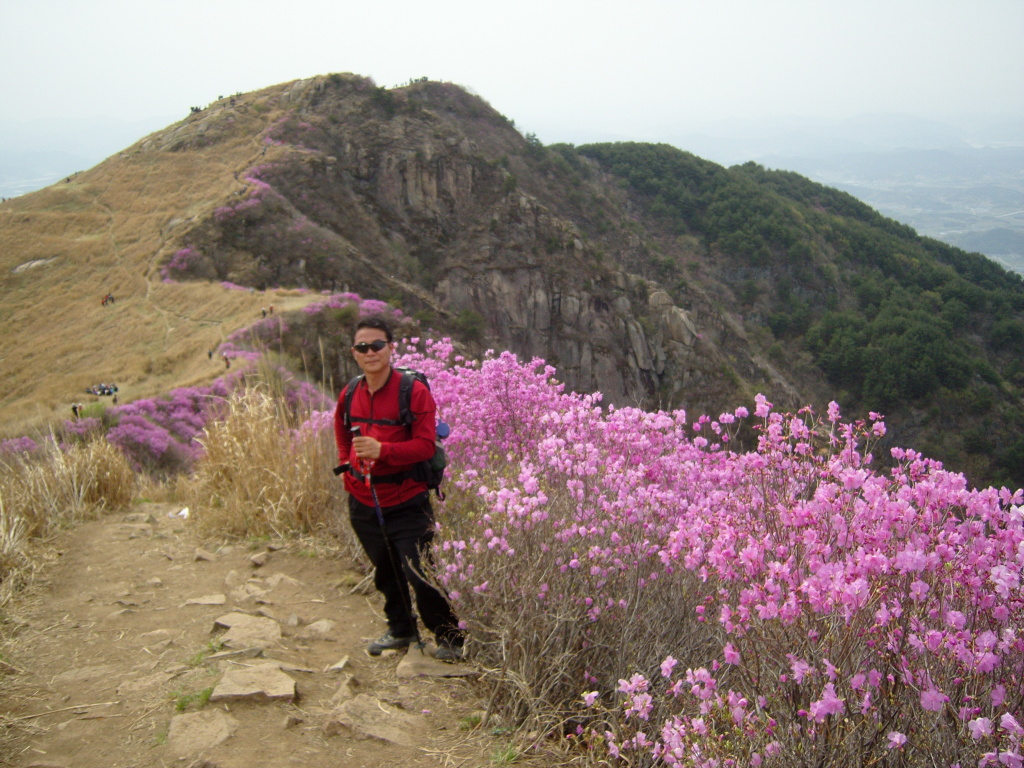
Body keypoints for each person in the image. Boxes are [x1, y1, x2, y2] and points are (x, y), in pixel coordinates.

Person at [333, 316, 464, 662]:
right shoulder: (349, 393)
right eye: (363, 347)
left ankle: (450, 637)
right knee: (385, 569)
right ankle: (402, 629)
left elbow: (424, 445)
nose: (370, 352)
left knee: (419, 571)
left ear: (391, 348)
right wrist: (349, 466)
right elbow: (343, 433)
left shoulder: (413, 391)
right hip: (362, 500)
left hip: (407, 500)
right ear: (355, 353)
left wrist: (383, 451)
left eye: (377, 345)